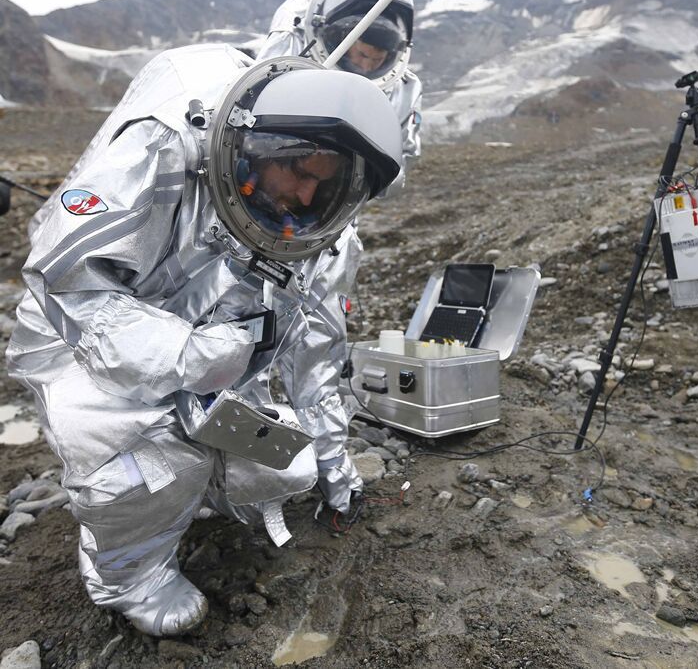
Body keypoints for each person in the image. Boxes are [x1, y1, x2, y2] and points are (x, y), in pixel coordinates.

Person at [5, 42, 403, 636]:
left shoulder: (323, 245)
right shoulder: (166, 148)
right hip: (81, 343)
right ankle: (124, 573)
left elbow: (317, 366)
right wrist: (182, 354)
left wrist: (333, 468)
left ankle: (186, 496)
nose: (301, 196)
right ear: (257, 145)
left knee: (284, 464)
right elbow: (66, 281)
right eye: (295, 169)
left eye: (322, 186)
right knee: (144, 461)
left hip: (209, 367)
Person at [257, 0, 422, 190]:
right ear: (342, 38)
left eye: (377, 60)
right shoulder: (294, 45)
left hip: (337, 196)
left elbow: (399, 165)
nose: (366, 66)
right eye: (362, 55)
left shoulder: (402, 88)